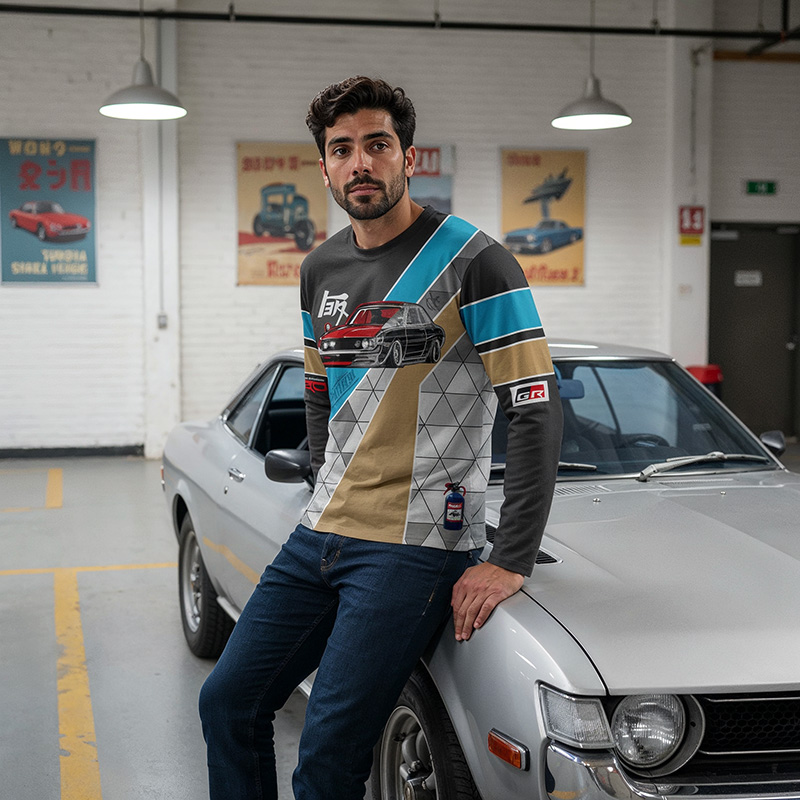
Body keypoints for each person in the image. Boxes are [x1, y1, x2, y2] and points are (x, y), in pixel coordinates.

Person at [199, 75, 563, 800]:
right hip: (324, 531)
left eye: (377, 145)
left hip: (415, 544)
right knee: (228, 701)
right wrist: (323, 484)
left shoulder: (476, 261)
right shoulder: (320, 269)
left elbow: (535, 405)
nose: (360, 162)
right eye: (342, 149)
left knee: (328, 759)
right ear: (325, 167)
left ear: (409, 158)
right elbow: (318, 391)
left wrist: (510, 557)